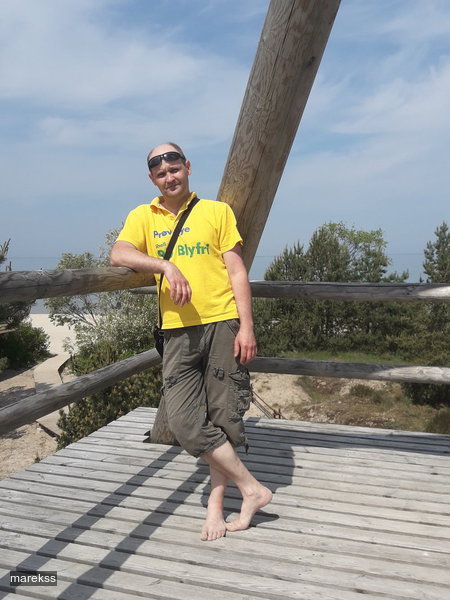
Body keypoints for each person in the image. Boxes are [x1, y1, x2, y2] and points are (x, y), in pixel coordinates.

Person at [110, 142, 272, 541]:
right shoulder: (143, 216)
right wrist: (165, 265)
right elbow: (119, 253)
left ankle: (216, 507)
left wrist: (247, 327)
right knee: (183, 420)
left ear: (187, 167)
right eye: (161, 173)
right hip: (177, 331)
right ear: (153, 179)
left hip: (222, 324)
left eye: (175, 168)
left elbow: (236, 272)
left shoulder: (217, 212)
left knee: (224, 416)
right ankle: (251, 488)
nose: (170, 177)